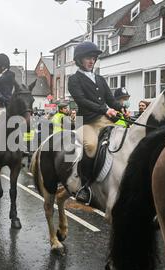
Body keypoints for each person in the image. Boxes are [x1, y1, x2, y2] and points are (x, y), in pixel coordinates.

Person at [68, 41, 122, 205]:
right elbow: (82, 101)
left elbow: (110, 99)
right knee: (91, 147)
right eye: (88, 58)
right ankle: (84, 186)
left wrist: (121, 108)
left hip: (105, 119)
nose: (91, 61)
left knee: (122, 141)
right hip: (86, 122)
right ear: (79, 60)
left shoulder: (100, 79)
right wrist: (104, 110)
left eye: (93, 58)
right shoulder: (74, 79)